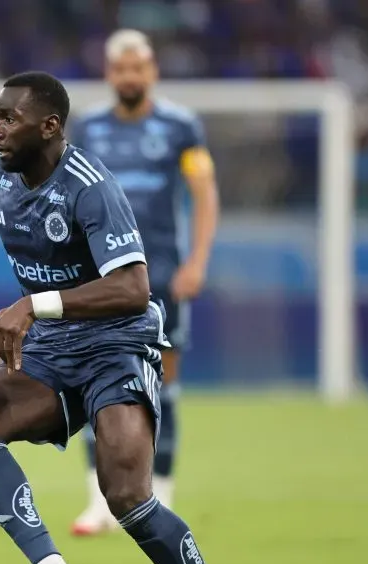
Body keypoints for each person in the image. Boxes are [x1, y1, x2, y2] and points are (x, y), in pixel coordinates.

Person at [0, 70, 255, 564]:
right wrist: (38, 317)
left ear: (50, 126)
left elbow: (134, 288)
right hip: (56, 352)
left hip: (117, 347)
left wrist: (33, 305)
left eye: (8, 119)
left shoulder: (90, 187)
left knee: (126, 498)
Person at [71, 30, 220, 536]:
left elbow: (203, 194)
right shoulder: (88, 127)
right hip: (104, 280)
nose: (130, 77)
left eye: (139, 68)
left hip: (163, 276)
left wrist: (196, 260)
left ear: (152, 71)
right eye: (121, 69)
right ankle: (98, 504)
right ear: (110, 74)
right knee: (95, 385)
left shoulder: (180, 126)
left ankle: (163, 498)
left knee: (165, 389)